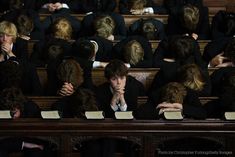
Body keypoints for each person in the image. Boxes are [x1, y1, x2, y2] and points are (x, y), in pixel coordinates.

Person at [0, 87, 55, 157]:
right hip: (9, 142)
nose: (11, 116)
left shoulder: (31, 108)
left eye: (14, 113)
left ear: (19, 106)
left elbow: (40, 138)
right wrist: (23, 144)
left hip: (31, 141)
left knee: (36, 153)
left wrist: (29, 144)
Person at [135, 82, 207, 119]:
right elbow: (139, 113)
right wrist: (160, 110)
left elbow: (203, 113)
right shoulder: (156, 95)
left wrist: (181, 107)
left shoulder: (190, 94)